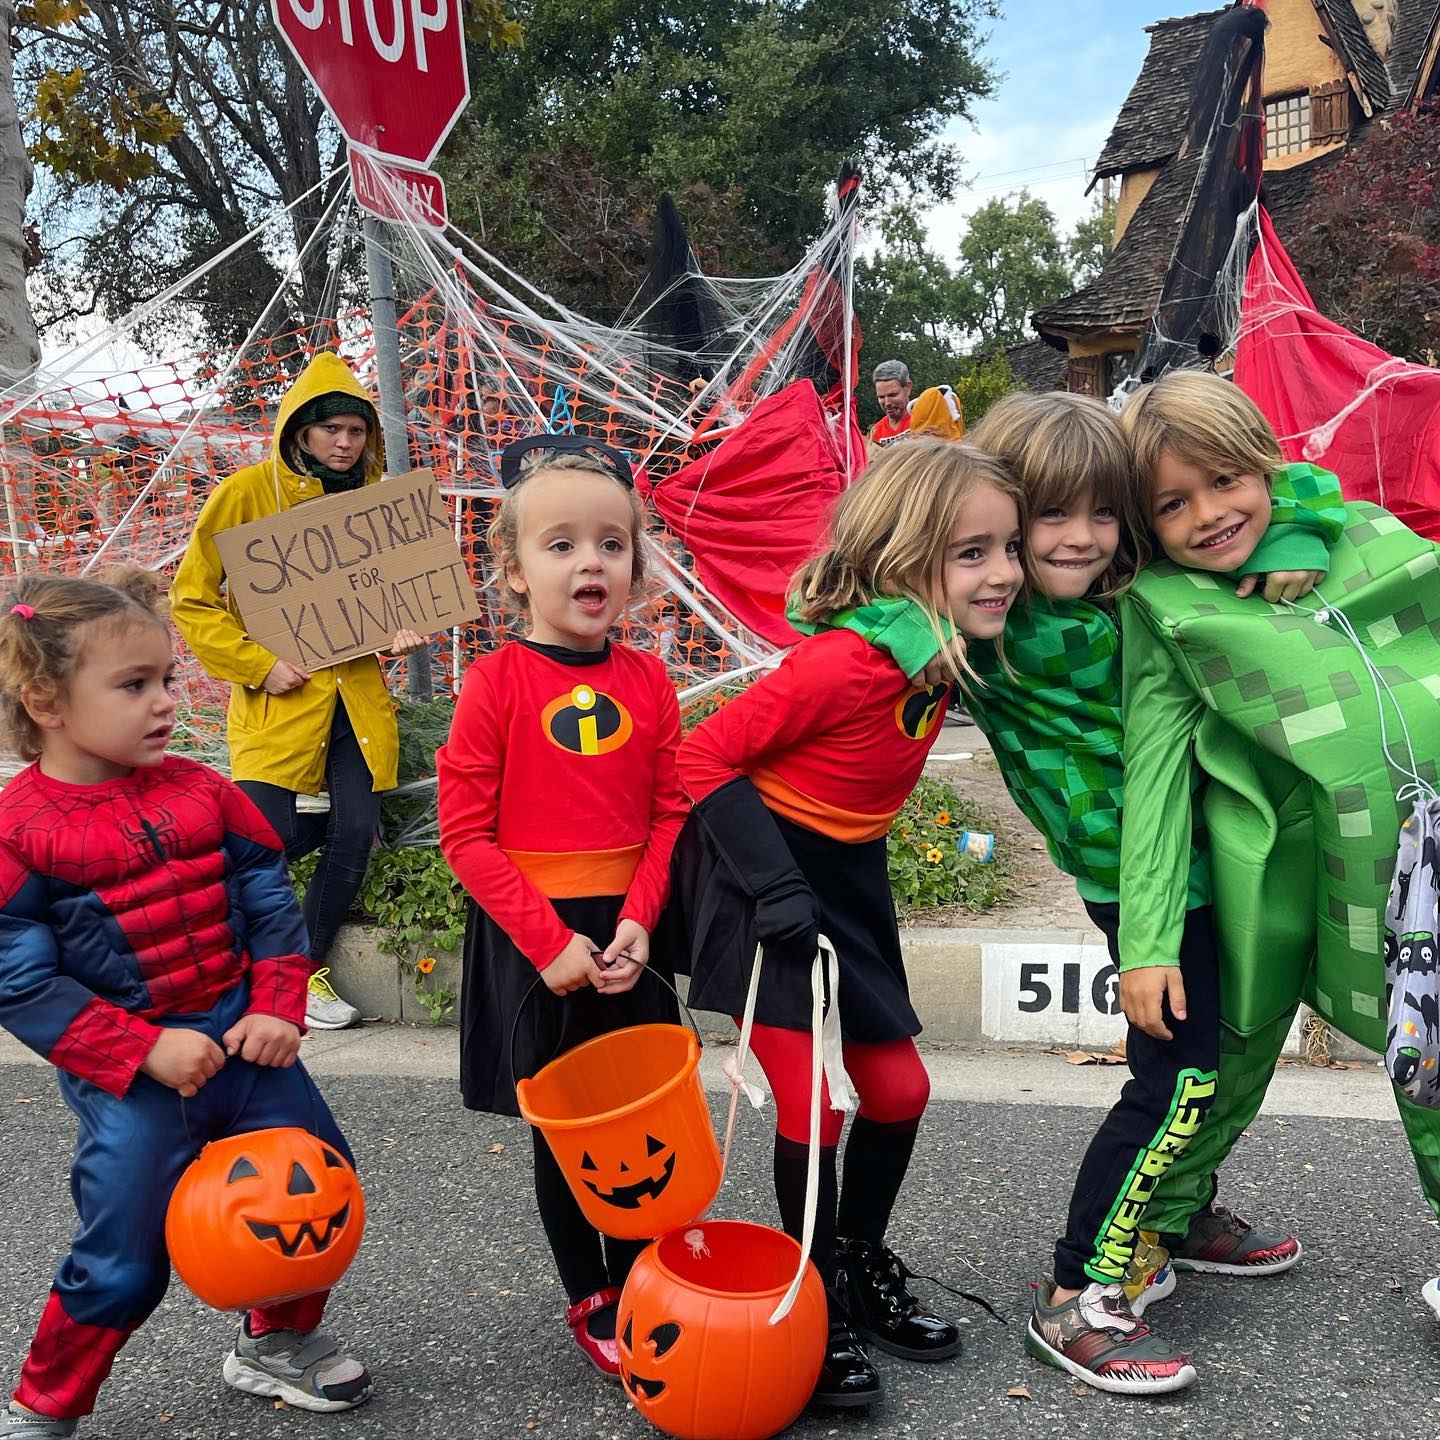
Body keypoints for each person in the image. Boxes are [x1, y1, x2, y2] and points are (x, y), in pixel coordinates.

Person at [956, 392, 1302, 1394]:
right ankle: (1075, 1291)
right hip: (1138, 887)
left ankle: (1178, 1212)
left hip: (1217, 854)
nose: (1079, 538)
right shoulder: (994, 620)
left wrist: (1301, 543)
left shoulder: (1139, 589)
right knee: (1175, 1078)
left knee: (1233, 1046)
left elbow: (1298, 493)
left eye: (1102, 513)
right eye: (1049, 516)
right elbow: (887, 555)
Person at [674, 438, 1022, 1408]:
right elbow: (702, 759)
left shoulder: (948, 649)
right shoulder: (845, 664)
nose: (1002, 573)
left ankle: (858, 1266)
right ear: (905, 563)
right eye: (971, 553)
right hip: (766, 886)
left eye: (1008, 547)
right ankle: (807, 1299)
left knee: (899, 1089)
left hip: (849, 882)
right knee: (816, 1103)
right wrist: (776, 889)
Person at [0, 572, 370, 1439]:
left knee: (318, 1194)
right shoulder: (17, 832)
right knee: (123, 1259)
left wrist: (279, 1003)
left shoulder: (207, 791)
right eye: (134, 686)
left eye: (167, 678)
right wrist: (138, 1050)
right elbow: (20, 981)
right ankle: (45, 1404)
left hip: (248, 1046)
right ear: (46, 701)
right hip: (132, 1078)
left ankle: (276, 1343)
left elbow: (271, 902)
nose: (166, 701)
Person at [1114, 370, 1440, 1324]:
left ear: (1265, 466)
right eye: (1172, 504)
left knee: (1433, 1061)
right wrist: (1149, 941)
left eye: (1225, 482)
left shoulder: (1356, 537)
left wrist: (1300, 530)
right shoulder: (1167, 609)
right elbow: (1155, 779)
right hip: (1284, 886)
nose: (1210, 515)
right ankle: (1146, 1234)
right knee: (1228, 1055)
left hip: (1421, 873)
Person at [436, 434, 687, 1380]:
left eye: (612, 544)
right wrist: (548, 943)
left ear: (634, 563)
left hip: (626, 932)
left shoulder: (651, 680)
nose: (592, 561)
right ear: (512, 570)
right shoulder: (495, 683)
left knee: (643, 1117)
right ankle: (592, 1287)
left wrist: (640, 919)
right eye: (561, 544)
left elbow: (668, 815)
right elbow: (466, 836)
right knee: (573, 1127)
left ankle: (645, 1265)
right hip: (537, 939)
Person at [172, 352, 427, 1032]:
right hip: (279, 702)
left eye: (356, 431)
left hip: (357, 701)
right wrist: (257, 664)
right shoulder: (247, 493)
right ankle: (199, 944)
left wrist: (399, 633)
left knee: (352, 832)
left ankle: (299, 973)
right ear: (299, 432)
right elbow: (192, 599)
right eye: (331, 430)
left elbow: (386, 608)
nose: (345, 443)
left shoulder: (375, 508)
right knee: (270, 836)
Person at [867, 360, 913, 449]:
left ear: (908, 387)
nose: (887, 403)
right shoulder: (875, 432)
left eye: (893, 395)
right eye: (881, 397)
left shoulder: (924, 420)